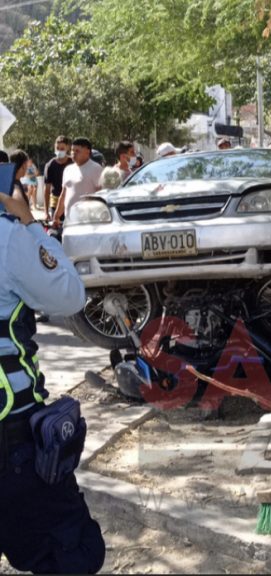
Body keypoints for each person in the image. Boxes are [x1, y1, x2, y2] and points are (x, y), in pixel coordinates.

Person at [0, 191, 104, 574]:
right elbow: (70, 296)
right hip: (11, 440)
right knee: (69, 552)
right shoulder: (7, 237)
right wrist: (30, 224)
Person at [51, 138, 103, 226]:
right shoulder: (68, 169)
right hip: (69, 220)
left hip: (88, 221)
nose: (73, 153)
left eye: (77, 151)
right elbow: (63, 195)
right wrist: (56, 216)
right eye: (72, 150)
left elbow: (100, 194)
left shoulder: (96, 168)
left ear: (87, 151)